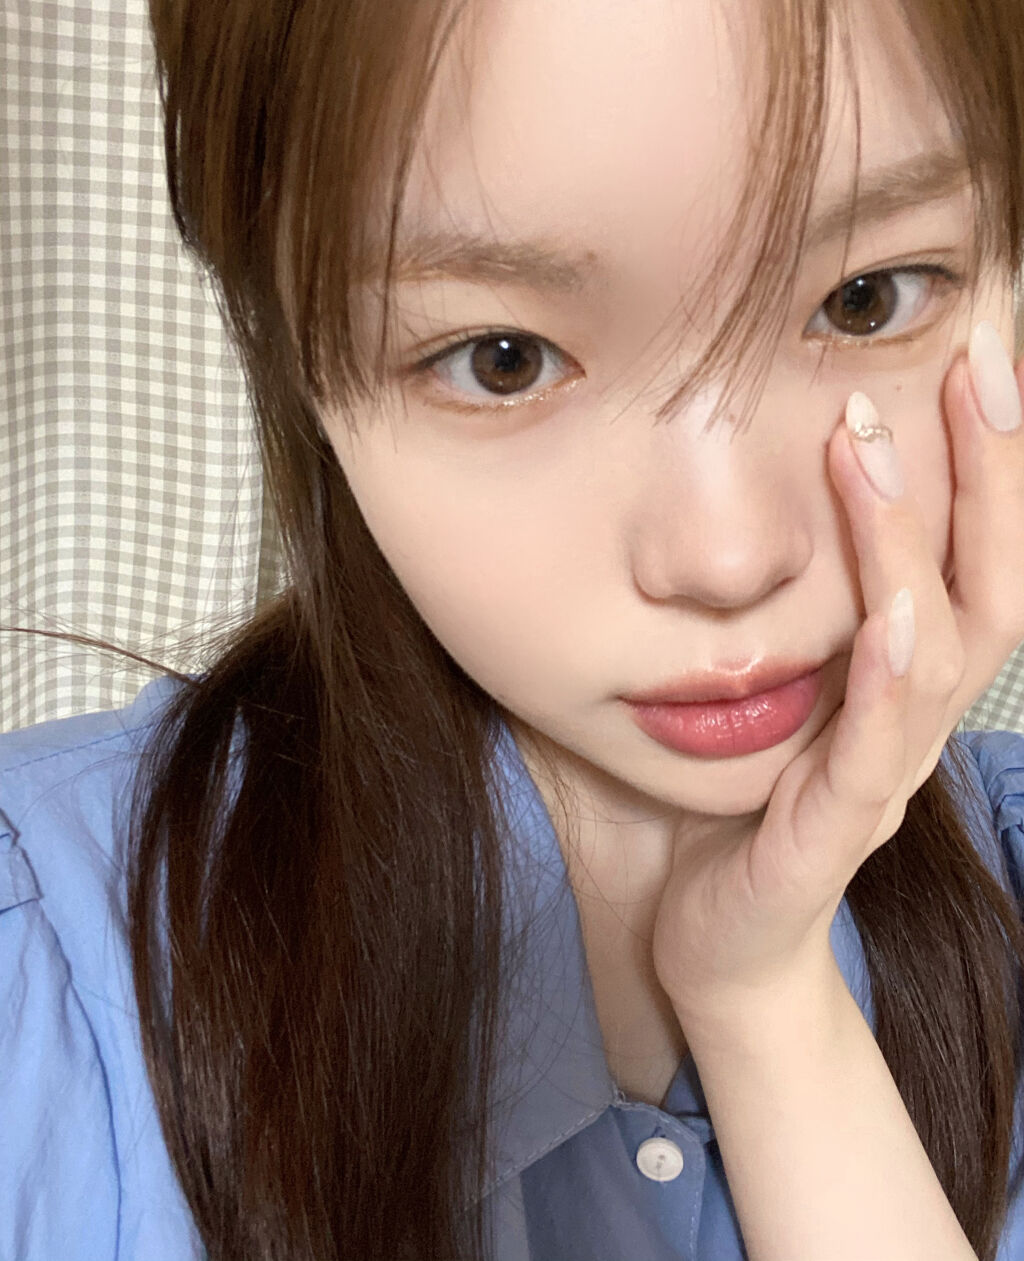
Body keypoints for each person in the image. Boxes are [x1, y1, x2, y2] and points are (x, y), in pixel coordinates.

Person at [2, 0, 1024, 1258]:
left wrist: (770, 1005)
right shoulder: (46, 985)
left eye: (864, 301)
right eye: (503, 359)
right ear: (297, 360)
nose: (729, 556)